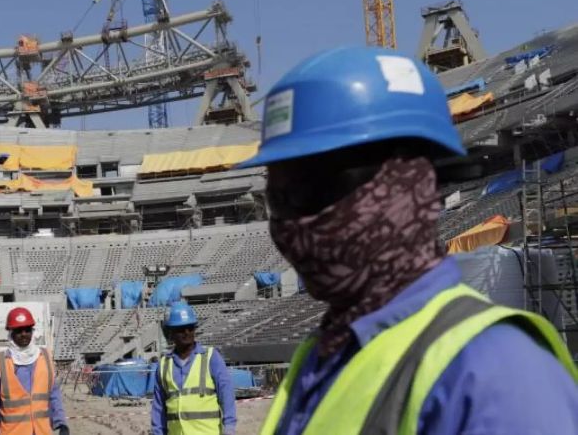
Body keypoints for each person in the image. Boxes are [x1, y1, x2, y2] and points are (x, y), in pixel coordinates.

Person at [236, 47, 578, 435]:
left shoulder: (493, 372)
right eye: (278, 199)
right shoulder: (320, 356)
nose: (294, 221)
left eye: (315, 188)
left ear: (411, 182)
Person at [151, 302, 236, 435]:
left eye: (190, 328)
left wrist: (229, 427)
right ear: (171, 333)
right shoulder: (163, 365)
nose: (187, 332)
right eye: (181, 329)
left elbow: (226, 393)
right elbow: (158, 407)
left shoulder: (211, 357)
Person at [0, 307, 69, 435]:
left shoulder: (45, 358)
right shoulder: (0, 363)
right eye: (19, 330)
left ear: (32, 332)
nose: (24, 334)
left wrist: (61, 423)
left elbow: (54, 395)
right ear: (11, 333)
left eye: (27, 330)